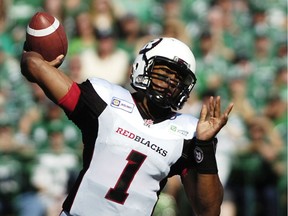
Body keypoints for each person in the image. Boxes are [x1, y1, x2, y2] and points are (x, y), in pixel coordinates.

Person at [21, 37, 233, 216]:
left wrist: (204, 146)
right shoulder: (104, 100)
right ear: (143, 65)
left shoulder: (188, 133)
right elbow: (33, 64)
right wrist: (41, 54)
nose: (169, 83)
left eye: (177, 79)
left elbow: (209, 211)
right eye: (164, 73)